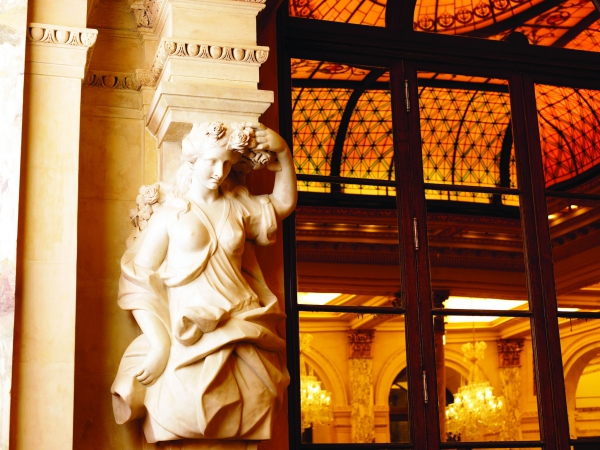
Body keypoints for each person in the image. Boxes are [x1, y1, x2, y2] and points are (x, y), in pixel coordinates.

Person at [111, 122, 296, 443]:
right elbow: (137, 282)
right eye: (211, 162)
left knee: (255, 401)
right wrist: (159, 344)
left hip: (243, 325)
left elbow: (282, 204)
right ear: (193, 161)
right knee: (184, 410)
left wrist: (283, 154)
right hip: (189, 332)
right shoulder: (170, 216)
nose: (219, 172)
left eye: (226, 163)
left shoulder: (238, 207)